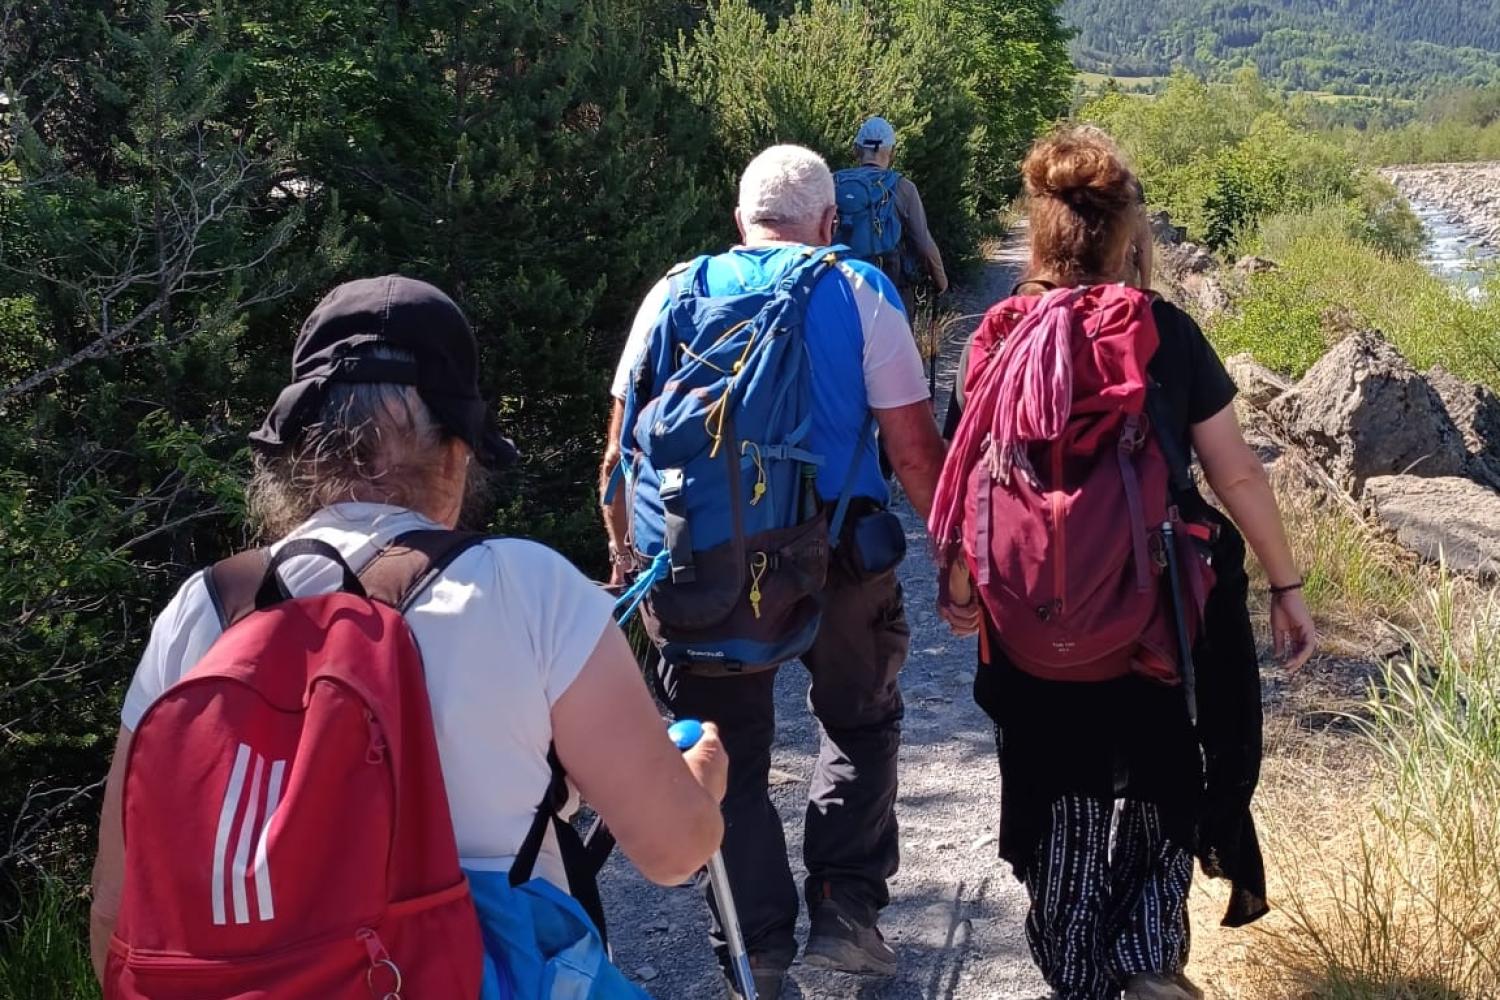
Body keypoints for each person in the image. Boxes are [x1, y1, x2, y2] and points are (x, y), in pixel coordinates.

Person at [89, 276, 728, 993]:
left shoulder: (201, 610)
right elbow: (673, 850)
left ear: (299, 454)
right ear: (457, 452)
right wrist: (701, 780)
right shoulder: (529, 590)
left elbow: (117, 917)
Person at [934, 127, 1318, 1000]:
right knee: (1158, 787)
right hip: (1158, 626)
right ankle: (1147, 966)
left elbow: (970, 478)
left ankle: (1078, 975)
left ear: (1039, 232)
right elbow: (1238, 473)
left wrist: (960, 586)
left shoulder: (995, 336)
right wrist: (1286, 586)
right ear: (1126, 233)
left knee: (1054, 794)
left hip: (1029, 632)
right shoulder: (1165, 334)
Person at [600, 146, 947, 999]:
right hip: (838, 559)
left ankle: (756, 946)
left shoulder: (672, 293)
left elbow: (616, 458)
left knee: (728, 753)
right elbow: (912, 452)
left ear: (740, 220)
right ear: (829, 224)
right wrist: (960, 559)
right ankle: (845, 912)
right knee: (859, 725)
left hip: (703, 567)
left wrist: (627, 562)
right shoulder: (861, 291)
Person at [836, 116, 949, 317]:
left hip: (839, 288)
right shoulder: (903, 188)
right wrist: (940, 281)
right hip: (889, 291)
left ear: (856, 150)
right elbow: (923, 243)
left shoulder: (833, 183)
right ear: (892, 152)